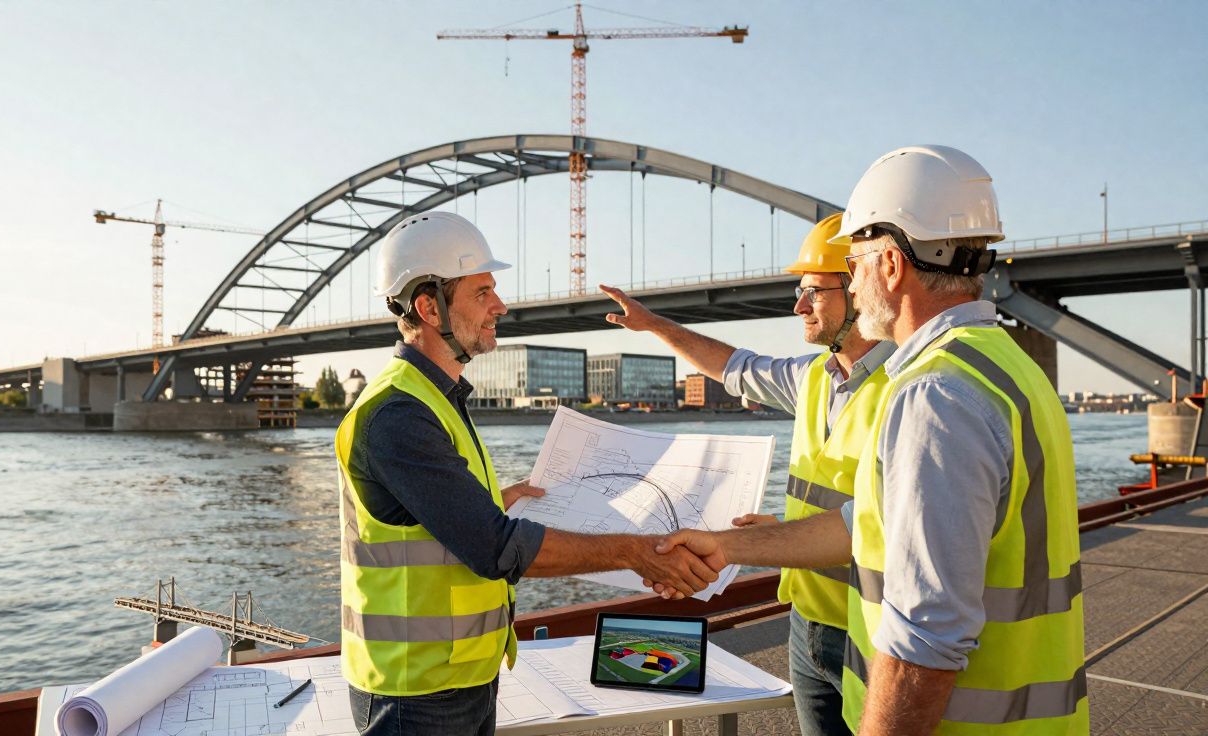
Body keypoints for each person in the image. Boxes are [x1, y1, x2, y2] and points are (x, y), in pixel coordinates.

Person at [656, 146, 1087, 734]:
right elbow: (875, 522)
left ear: (890, 265)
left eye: (854, 263)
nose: (853, 286)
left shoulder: (935, 396)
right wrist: (729, 547)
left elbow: (926, 638)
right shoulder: (1005, 367)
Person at [336, 210, 719, 736]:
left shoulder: (434, 399)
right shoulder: (398, 414)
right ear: (429, 308)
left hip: (460, 676)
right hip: (415, 694)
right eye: (481, 292)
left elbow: (431, 524)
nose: (501, 305)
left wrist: (493, 499)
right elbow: (496, 549)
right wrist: (634, 551)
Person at [600, 212, 893, 736]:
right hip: (807, 623)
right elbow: (734, 365)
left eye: (814, 292)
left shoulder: (908, 388)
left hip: (872, 628)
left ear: (860, 288)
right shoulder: (813, 379)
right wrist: (655, 325)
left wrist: (732, 546)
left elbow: (874, 523)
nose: (798, 305)